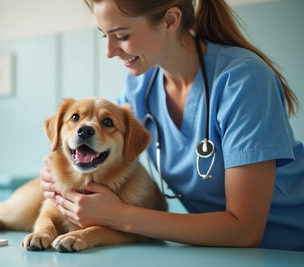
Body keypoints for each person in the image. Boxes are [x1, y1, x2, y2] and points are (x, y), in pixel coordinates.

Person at [40, 0, 304, 251]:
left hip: (288, 250)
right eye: (104, 36)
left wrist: (120, 215)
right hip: (216, 251)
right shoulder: (140, 88)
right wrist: (60, 179)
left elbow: (245, 231)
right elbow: (107, 158)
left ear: (169, 20)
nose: (109, 51)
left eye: (121, 36)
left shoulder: (243, 80)